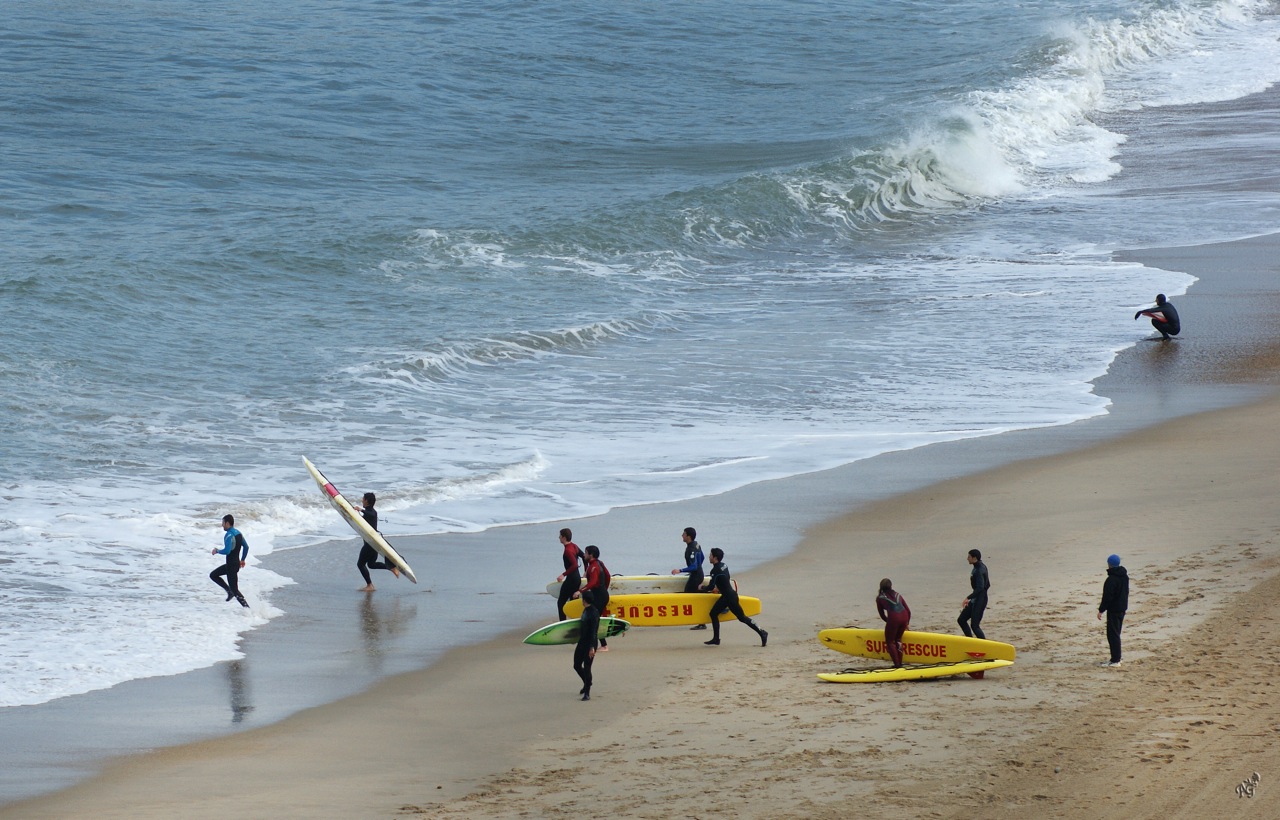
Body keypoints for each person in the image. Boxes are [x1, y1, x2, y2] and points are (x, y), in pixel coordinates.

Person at [700, 547, 767, 647]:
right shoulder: (724, 565)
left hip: (728, 598)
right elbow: (725, 578)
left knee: (740, 617)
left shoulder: (715, 570)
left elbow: (710, 586)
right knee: (716, 614)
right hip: (729, 595)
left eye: (710, 555)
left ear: (715, 558)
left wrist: (701, 587)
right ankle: (716, 638)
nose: (709, 557)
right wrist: (719, 588)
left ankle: (762, 632)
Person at [356, 492, 398, 592]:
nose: (362, 500)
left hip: (370, 544)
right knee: (371, 564)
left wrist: (360, 509)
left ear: (366, 500)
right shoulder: (369, 513)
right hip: (373, 543)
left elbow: (370, 514)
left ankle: (370, 585)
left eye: (363, 498)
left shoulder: (372, 512)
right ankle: (391, 568)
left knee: (360, 564)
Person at [670, 526, 707, 630]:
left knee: (689, 598)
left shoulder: (690, 548)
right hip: (698, 574)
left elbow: (694, 566)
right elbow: (702, 557)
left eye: (684, 534)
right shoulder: (696, 544)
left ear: (688, 537)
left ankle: (701, 622)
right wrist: (697, 568)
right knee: (693, 597)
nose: (682, 535)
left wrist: (680, 570)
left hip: (696, 576)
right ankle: (701, 621)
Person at [577, 544, 611, 651]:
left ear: (590, 555)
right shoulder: (599, 563)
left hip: (599, 596)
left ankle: (603, 646)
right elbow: (608, 576)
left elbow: (593, 582)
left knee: (594, 620)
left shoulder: (594, 567)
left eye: (586, 553)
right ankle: (600, 644)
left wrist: (580, 591)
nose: (584, 555)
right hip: (602, 594)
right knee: (594, 619)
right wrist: (604, 588)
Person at [211, 514, 249, 608]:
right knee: (213, 575)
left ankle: (248, 609)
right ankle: (229, 591)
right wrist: (242, 559)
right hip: (235, 564)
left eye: (223, 523)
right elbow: (246, 547)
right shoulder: (238, 533)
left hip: (231, 566)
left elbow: (227, 551)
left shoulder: (229, 535)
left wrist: (217, 551)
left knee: (235, 590)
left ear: (227, 523)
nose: (222, 525)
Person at [1098, 554, 1129, 667]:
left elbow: (1107, 597)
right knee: (1116, 633)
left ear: (1109, 564)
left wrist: (1101, 610)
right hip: (1122, 608)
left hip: (1114, 610)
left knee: (1113, 634)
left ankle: (1116, 660)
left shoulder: (1111, 579)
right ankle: (1116, 658)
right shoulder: (1124, 576)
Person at [875, 578, 911, 668]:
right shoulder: (898, 595)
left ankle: (897, 665)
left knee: (890, 642)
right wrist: (906, 623)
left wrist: (891, 623)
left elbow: (882, 615)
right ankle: (900, 662)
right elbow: (908, 611)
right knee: (898, 639)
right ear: (891, 586)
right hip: (905, 617)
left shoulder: (880, 598)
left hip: (894, 619)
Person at [958, 548, 990, 640]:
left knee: (975, 625)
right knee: (961, 620)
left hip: (980, 600)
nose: (967, 558)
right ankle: (971, 642)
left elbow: (980, 587)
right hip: (976, 598)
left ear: (974, 558)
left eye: (969, 557)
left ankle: (984, 645)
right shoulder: (978, 567)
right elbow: (988, 585)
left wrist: (968, 598)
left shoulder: (979, 570)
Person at [573, 596, 600, 701]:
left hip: (590, 644)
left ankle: (587, 693)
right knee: (576, 665)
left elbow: (594, 631)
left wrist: (592, 648)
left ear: (584, 600)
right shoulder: (586, 609)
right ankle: (587, 682)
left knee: (587, 667)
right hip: (582, 642)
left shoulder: (593, 613)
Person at [554, 528, 584, 621]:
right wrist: (586, 572)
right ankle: (576, 621)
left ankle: (563, 623)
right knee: (573, 602)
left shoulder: (567, 550)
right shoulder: (574, 546)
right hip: (576, 578)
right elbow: (584, 556)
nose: (559, 537)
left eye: (560, 536)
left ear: (564, 537)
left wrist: (563, 574)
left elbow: (574, 565)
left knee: (561, 602)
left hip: (571, 579)